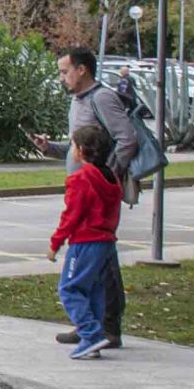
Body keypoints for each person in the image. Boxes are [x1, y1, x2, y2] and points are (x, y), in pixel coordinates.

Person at [30, 45, 141, 349]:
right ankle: (90, 326)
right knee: (96, 262)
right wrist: (50, 148)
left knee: (102, 262)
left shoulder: (102, 98)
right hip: (83, 190)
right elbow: (78, 147)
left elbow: (127, 139)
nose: (61, 77)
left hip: (95, 195)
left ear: (82, 70)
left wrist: (105, 177)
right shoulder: (78, 101)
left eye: (65, 71)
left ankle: (107, 328)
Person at [53, 124, 123, 359]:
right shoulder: (111, 177)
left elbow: (71, 215)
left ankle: (91, 334)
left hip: (85, 242)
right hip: (106, 241)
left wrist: (55, 243)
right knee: (95, 290)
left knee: (70, 288)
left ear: (81, 150)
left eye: (73, 145)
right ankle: (94, 338)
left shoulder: (81, 179)